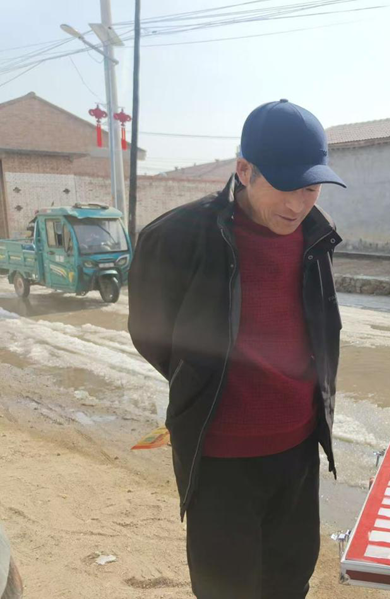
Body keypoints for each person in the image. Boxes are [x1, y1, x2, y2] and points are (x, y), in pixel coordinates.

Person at [128, 99, 346, 599]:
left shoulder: (316, 235)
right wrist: (205, 380)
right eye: (285, 187)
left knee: (289, 581)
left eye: (310, 189)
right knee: (225, 589)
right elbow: (152, 334)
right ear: (245, 171)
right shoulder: (177, 237)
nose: (297, 205)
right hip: (220, 457)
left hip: (298, 451)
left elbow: (320, 329)